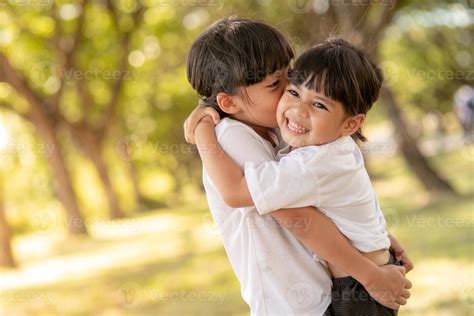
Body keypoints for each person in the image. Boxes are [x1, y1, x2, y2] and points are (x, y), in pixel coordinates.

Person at [185, 17, 412, 315]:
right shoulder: (231, 137)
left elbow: (324, 199)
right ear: (228, 103)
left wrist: (375, 238)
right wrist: (201, 128)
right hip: (290, 303)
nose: (290, 93)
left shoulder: (283, 131)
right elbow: (290, 212)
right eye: (277, 85)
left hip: (326, 290)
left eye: (289, 76)